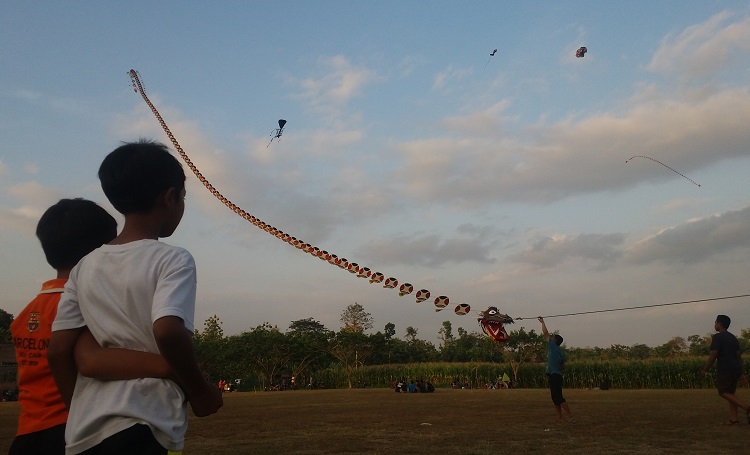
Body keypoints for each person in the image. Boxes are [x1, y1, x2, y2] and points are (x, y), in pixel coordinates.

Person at [48, 140, 223, 455]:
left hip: (85, 434)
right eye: (183, 197)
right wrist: (200, 391)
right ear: (170, 197)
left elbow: (59, 351)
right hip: (147, 423)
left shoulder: (84, 267)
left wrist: (79, 409)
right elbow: (168, 330)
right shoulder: (173, 259)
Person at [10, 198, 174, 455]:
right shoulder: (85, 305)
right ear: (99, 249)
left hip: (28, 433)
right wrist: (171, 368)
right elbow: (94, 360)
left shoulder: (25, 314)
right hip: (74, 429)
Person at [699, 314, 749, 425]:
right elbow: (738, 356)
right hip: (735, 368)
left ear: (720, 324)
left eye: (716, 322)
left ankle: (747, 408)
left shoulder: (717, 337)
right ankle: (734, 419)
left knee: (723, 392)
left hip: (725, 369)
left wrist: (705, 369)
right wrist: (742, 373)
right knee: (731, 393)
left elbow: (714, 355)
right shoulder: (733, 338)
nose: (714, 324)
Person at [538, 317, 574, 422]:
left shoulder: (553, 347)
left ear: (555, 341)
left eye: (552, 338)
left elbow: (546, 333)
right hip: (556, 375)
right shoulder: (559, 351)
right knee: (555, 398)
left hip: (554, 376)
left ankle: (570, 416)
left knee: (558, 397)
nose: (550, 339)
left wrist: (542, 322)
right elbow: (563, 366)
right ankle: (559, 417)